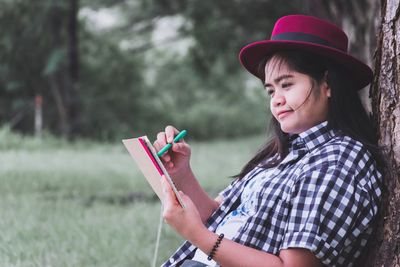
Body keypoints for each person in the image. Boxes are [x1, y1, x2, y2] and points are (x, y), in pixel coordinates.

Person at [153, 15, 383, 267]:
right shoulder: (285, 152)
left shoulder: (337, 162)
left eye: (287, 85)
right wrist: (182, 172)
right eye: (271, 90)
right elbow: (218, 215)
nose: (276, 99)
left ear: (327, 84)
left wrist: (197, 235)